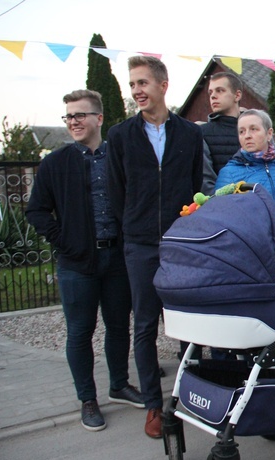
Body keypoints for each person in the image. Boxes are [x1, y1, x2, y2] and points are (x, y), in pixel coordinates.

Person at [26, 89, 144, 432]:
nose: (74, 122)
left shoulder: (118, 157)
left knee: (119, 327)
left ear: (99, 118)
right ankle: (87, 399)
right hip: (77, 264)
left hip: (118, 258)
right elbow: (36, 211)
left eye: (80, 115)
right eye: (69, 116)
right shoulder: (55, 163)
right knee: (80, 332)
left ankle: (119, 385)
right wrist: (65, 242)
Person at [107, 56, 203, 439]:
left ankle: (188, 395)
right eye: (132, 85)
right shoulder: (120, 136)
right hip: (140, 244)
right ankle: (152, 404)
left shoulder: (190, 135)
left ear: (163, 85)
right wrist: (136, 225)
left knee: (185, 321)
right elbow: (117, 193)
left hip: (180, 242)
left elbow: (195, 187)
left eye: (142, 83)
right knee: (145, 325)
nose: (136, 91)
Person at [216, 109, 275, 255]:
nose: (247, 136)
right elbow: (221, 221)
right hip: (253, 258)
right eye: (242, 131)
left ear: (269, 133)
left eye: (253, 129)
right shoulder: (229, 173)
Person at [201, 72, 243, 195]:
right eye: (210, 92)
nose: (213, 96)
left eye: (220, 90)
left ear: (237, 95)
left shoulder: (255, 129)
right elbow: (205, 181)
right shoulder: (201, 133)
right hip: (220, 206)